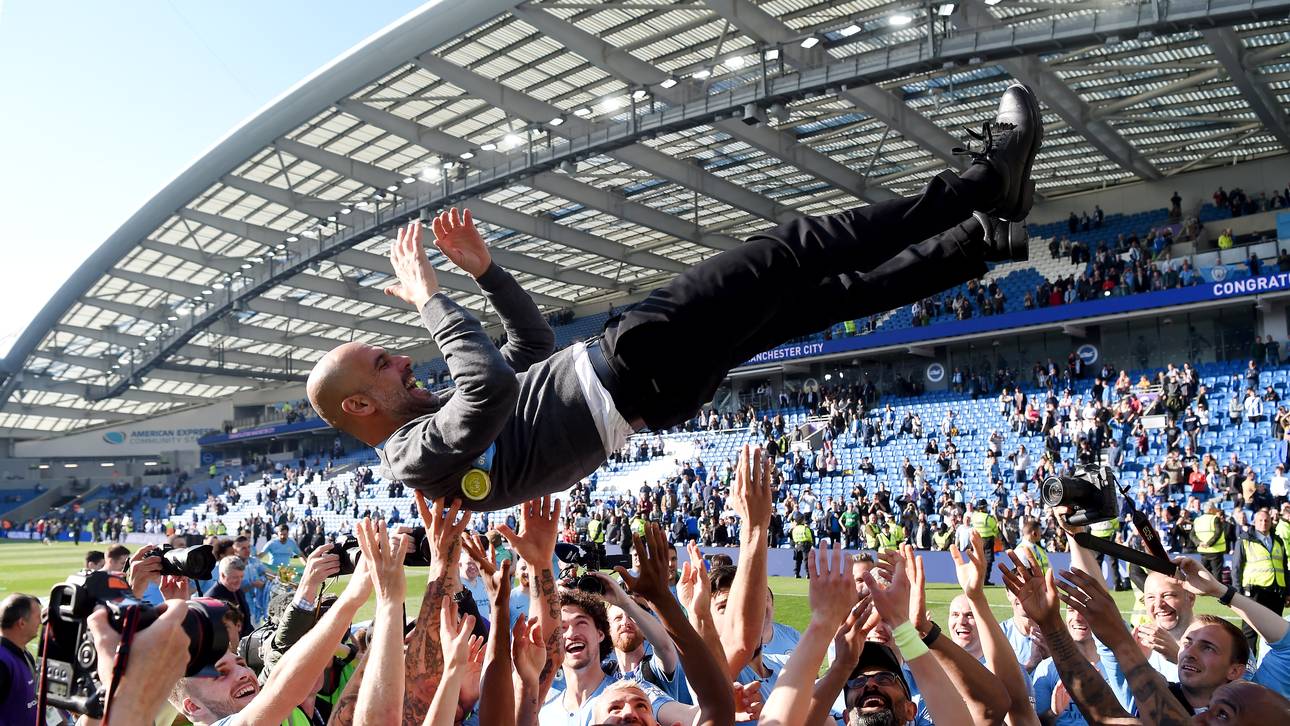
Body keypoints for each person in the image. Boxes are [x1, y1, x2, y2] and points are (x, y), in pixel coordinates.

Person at [306, 84, 1043, 511]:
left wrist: (487, 275)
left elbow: (525, 354)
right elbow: (492, 381)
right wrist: (432, 300)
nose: (400, 360)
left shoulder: (438, 428)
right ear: (360, 407)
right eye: (380, 364)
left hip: (651, 384)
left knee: (816, 298)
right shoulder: (412, 455)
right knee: (789, 252)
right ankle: (986, 183)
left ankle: (977, 245)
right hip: (634, 363)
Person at [1231, 507, 1288, 653]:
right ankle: (1247, 669)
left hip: (1276, 593)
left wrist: (1288, 591)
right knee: (1250, 633)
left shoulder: (1278, 541)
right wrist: (1237, 593)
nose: (1264, 523)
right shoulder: (1244, 541)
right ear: (1254, 523)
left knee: (1276, 633)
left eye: (1266, 520)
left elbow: (1283, 567)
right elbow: (1236, 568)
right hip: (1254, 592)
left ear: (1271, 522)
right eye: (1260, 520)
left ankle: (1274, 667)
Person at [0, 594, 41, 724]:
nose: (40, 622)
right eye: (37, 617)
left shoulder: (24, 653)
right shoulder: (2, 662)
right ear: (22, 623)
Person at [205, 556, 253, 638]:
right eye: (235, 577)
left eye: (241, 577)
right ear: (223, 575)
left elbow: (246, 622)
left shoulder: (238, 591)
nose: (239, 581)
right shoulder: (213, 599)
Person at [790, 514, 814, 579]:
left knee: (798, 560)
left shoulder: (794, 529)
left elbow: (794, 538)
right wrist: (811, 543)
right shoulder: (805, 528)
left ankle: (796, 573)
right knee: (806, 560)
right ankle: (808, 574)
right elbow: (809, 537)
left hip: (797, 545)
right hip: (805, 544)